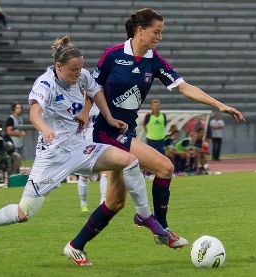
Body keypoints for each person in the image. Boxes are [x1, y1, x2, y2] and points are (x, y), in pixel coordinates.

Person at [0, 36, 167, 266]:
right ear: (58, 67)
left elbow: (96, 91)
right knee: (24, 213)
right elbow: (34, 113)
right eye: (73, 69)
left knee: (130, 160)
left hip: (81, 147)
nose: (78, 73)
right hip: (53, 156)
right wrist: (45, 129)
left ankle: (144, 215)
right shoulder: (46, 83)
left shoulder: (81, 76)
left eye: (80, 68)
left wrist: (109, 118)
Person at [83, 8, 245, 251]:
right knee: (165, 166)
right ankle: (161, 227)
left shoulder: (154, 61)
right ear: (140, 30)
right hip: (106, 131)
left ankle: (76, 245)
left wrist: (218, 104)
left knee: (115, 202)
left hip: (127, 132)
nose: (159, 37)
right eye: (156, 32)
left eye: (161, 33)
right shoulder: (113, 55)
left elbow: (183, 86)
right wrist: (85, 113)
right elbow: (92, 88)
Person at [76, 104, 108, 212]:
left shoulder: (102, 102)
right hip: (86, 141)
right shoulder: (80, 103)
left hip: (101, 139)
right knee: (84, 175)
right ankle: (83, 203)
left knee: (105, 172)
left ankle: (103, 202)